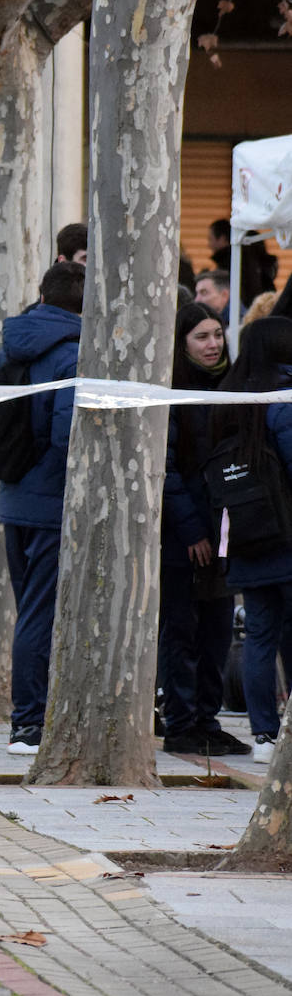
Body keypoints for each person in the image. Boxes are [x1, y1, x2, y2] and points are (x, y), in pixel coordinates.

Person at [0, 261, 85, 755]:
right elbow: (66, 435)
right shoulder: (71, 355)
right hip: (52, 502)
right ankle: (28, 724)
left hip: (14, 497)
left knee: (29, 608)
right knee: (38, 615)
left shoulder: (11, 343)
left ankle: (32, 717)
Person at [159, 303, 245, 756]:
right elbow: (167, 470)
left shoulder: (233, 387)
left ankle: (206, 719)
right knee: (182, 631)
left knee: (216, 629)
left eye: (217, 335)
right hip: (185, 537)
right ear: (183, 343)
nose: (213, 345)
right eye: (202, 337)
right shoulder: (176, 393)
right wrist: (192, 530)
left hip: (227, 531)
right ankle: (181, 721)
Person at [211, 316, 292, 763]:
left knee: (260, 633)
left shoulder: (228, 397)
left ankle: (263, 735)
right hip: (284, 534)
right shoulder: (283, 399)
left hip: (242, 533)